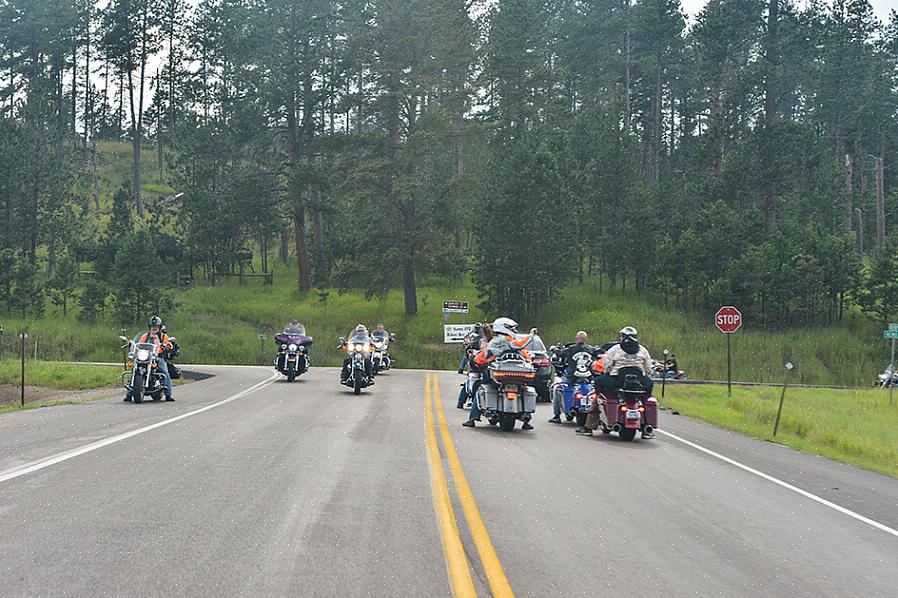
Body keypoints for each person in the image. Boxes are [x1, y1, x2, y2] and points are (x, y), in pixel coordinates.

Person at [577, 326, 653, 436]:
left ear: (622, 337)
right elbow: (648, 369)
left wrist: (609, 371)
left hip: (617, 381)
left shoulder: (615, 349)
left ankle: (589, 426)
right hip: (638, 382)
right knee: (649, 387)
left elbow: (606, 366)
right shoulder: (643, 350)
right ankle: (646, 425)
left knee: (598, 383)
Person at [463, 317, 534, 430]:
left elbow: (481, 359)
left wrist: (475, 360)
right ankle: (526, 420)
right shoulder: (514, 342)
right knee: (523, 389)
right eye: (512, 328)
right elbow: (527, 357)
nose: (514, 331)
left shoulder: (494, 342)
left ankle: (472, 419)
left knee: (480, 389)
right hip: (518, 375)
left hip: (497, 375)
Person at [125, 315, 174, 402]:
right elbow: (139, 344)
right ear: (150, 327)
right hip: (145, 356)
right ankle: (129, 394)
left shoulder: (163, 336)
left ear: (159, 327)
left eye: (156, 326)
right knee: (134, 370)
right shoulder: (145, 335)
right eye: (152, 326)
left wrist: (168, 345)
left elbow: (168, 344)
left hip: (157, 357)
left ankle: (168, 394)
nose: (154, 328)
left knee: (164, 372)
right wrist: (133, 345)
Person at [548, 331, 594, 423]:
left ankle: (557, 416)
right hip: (587, 377)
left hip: (572, 377)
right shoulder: (591, 349)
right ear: (586, 340)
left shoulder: (571, 349)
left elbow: (560, 353)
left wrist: (553, 349)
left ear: (577, 339)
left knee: (558, 388)